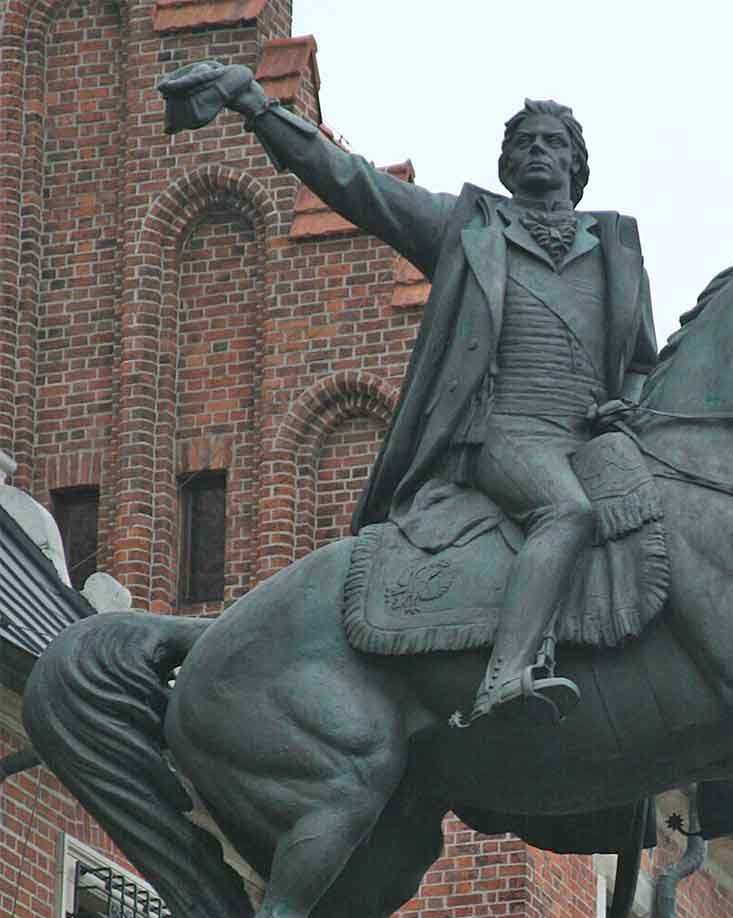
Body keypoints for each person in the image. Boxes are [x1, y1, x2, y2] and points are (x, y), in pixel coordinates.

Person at [160, 63, 657, 722]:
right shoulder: (469, 230)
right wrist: (257, 106)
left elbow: (644, 362)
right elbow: (354, 183)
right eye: (526, 143)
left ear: (576, 165)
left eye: (553, 143)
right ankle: (506, 676)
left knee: (683, 527)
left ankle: (717, 771)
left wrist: (630, 401)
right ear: (507, 165)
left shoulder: (616, 250)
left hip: (590, 436)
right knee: (568, 514)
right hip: (506, 434)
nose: (539, 151)